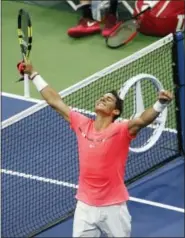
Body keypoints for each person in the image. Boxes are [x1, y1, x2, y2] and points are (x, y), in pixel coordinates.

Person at [17, 61, 173, 237]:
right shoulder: (82, 124)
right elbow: (54, 101)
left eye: (108, 99)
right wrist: (34, 74)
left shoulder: (121, 130)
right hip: (85, 205)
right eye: (101, 97)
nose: (102, 99)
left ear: (115, 112)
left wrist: (160, 104)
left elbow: (143, 120)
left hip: (113, 207)